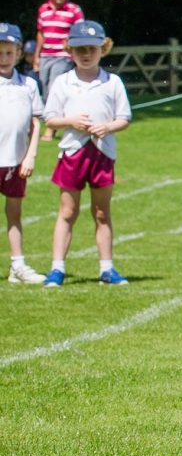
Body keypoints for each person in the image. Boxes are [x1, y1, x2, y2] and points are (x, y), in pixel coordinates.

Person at [41, 20, 131, 287]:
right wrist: (72, 122)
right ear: (70, 50)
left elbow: (124, 117)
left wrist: (107, 127)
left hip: (102, 153)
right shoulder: (63, 82)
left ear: (103, 49)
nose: (86, 54)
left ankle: (107, 268)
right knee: (67, 211)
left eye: (92, 48)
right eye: (80, 49)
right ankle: (57, 268)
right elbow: (50, 119)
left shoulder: (112, 82)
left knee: (102, 212)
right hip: (73, 153)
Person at [0, 24, 45, 284]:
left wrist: (31, 156)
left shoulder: (27, 84)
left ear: (18, 53)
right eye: (0, 53)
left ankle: (17, 265)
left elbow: (36, 123)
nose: (4, 58)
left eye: (9, 53)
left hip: (16, 161)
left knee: (14, 213)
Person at [35, 0, 83, 140]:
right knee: (44, 90)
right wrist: (36, 56)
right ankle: (53, 123)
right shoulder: (43, 10)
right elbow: (41, 34)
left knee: (53, 90)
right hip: (46, 55)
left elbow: (80, 34)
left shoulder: (74, 10)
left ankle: (51, 130)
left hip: (63, 56)